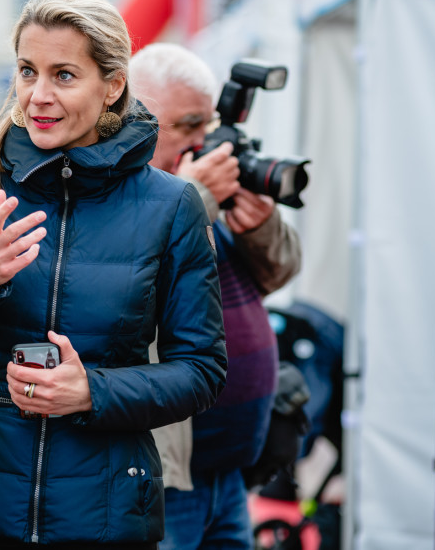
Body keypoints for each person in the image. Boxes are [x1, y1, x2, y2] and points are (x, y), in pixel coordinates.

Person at [0, 0, 227, 549]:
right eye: (28, 72)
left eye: (64, 75)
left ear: (113, 86)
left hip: (104, 514)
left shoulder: (171, 207)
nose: (38, 96)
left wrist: (91, 391)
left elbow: (201, 370)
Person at [129, 43, 302, 550]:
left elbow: (279, 273)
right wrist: (193, 199)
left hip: (229, 475)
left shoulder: (200, 187)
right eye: (188, 125)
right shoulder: (124, 196)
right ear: (136, 118)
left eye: (210, 124)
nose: (208, 143)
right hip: (162, 479)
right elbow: (128, 291)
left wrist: (262, 226)